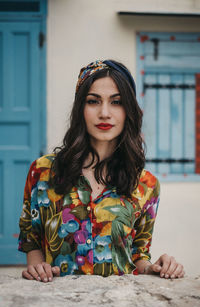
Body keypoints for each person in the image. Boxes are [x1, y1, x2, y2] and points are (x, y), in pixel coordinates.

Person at [18, 60, 185, 283]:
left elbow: (137, 255)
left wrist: (153, 268)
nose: (104, 113)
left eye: (116, 102)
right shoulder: (42, 172)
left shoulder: (146, 184)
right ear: (80, 109)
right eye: (93, 101)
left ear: (129, 111)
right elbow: (32, 241)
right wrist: (37, 270)